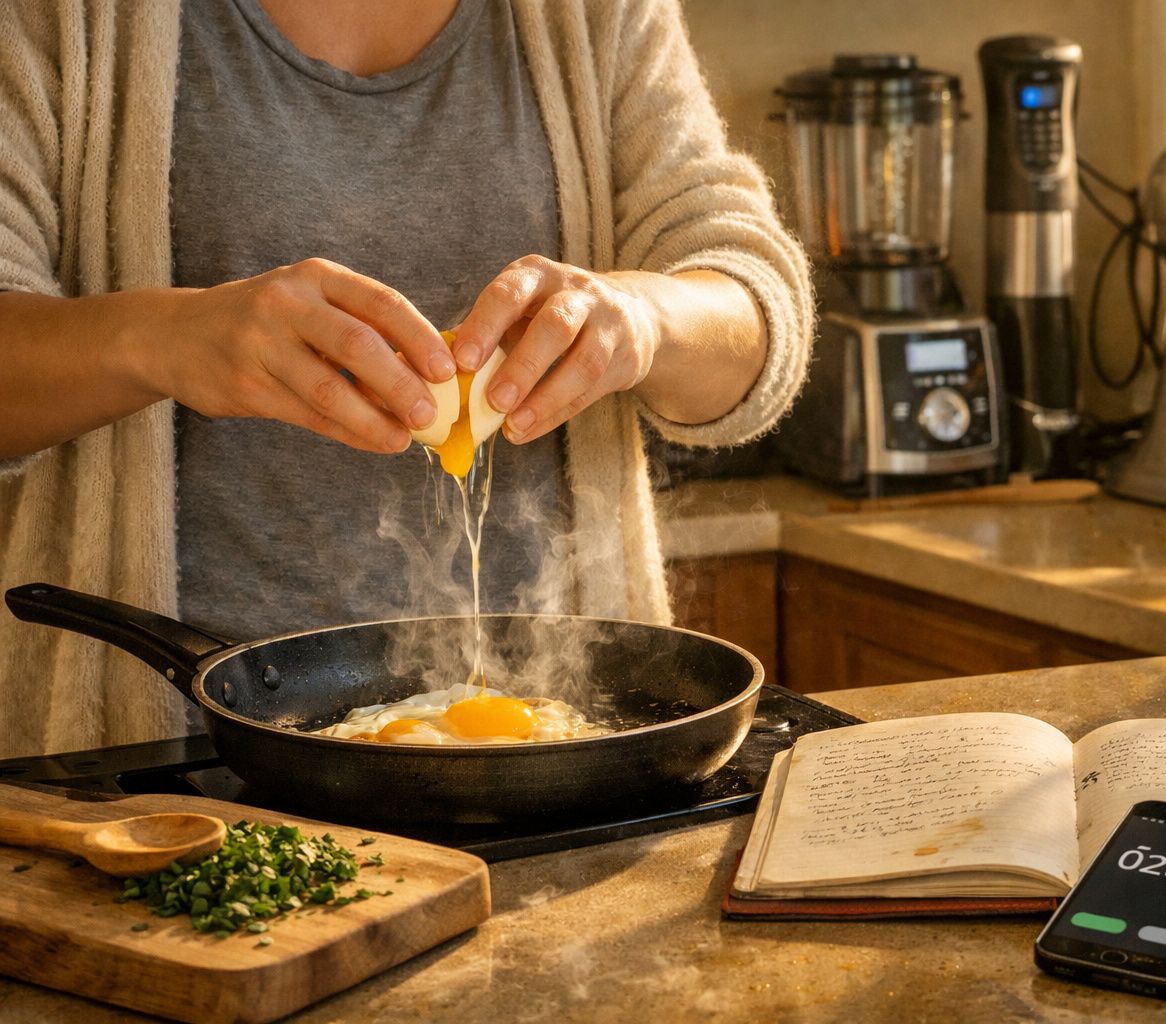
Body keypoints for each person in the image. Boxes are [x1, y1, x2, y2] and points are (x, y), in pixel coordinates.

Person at [0, 0, 813, 758]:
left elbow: (751, 311)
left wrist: (642, 320)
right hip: (164, 737)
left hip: (566, 751)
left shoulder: (592, 13)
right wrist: (159, 337)